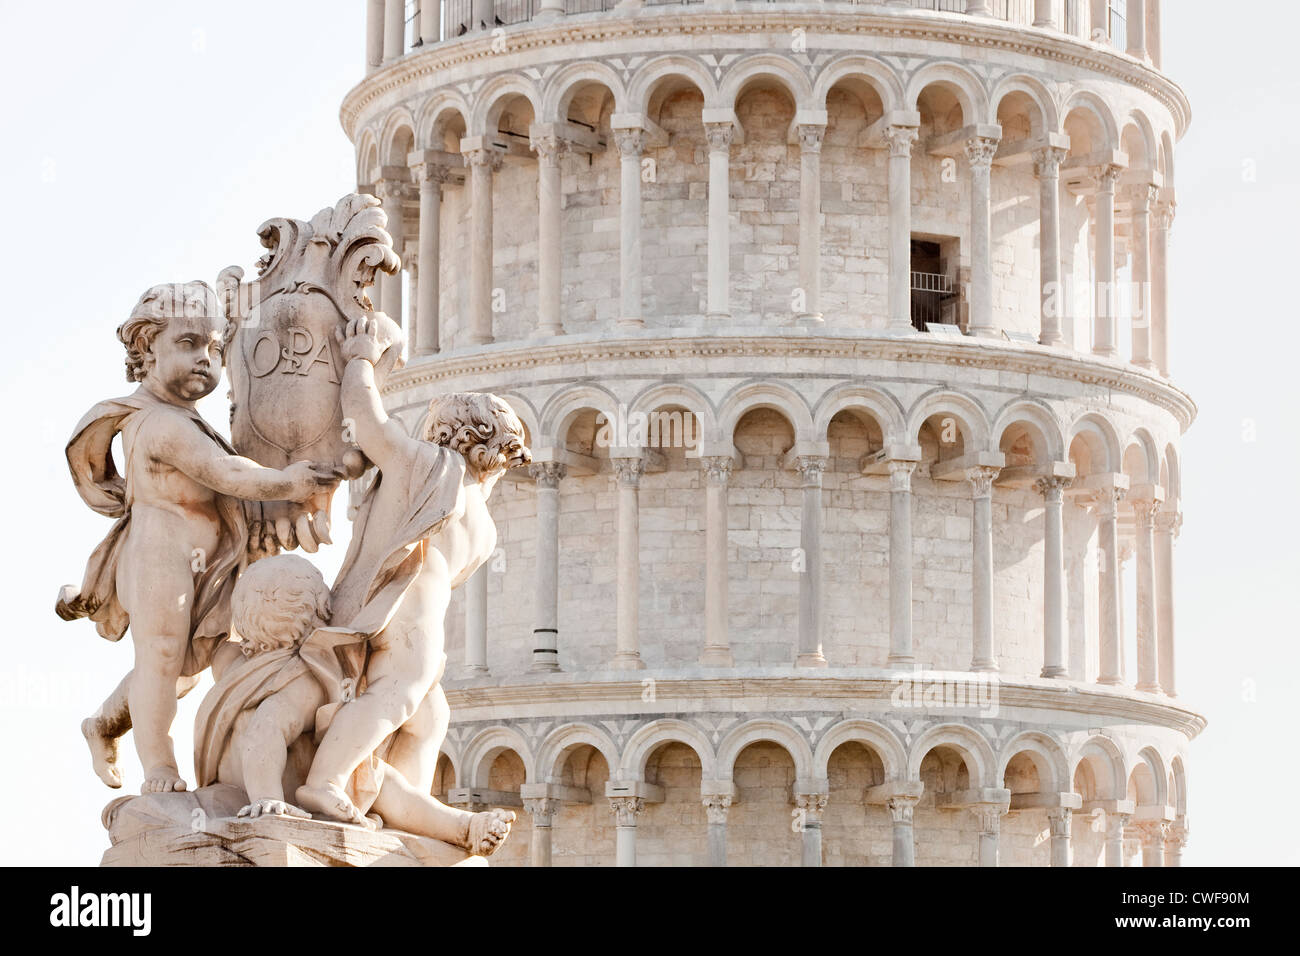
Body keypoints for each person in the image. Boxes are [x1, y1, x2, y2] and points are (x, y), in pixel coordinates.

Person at [57, 281, 336, 794]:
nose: (205, 358)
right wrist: (288, 482)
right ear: (146, 349)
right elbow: (225, 473)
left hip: (210, 564)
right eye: (188, 343)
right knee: (163, 657)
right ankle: (160, 767)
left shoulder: (187, 419)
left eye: (215, 347)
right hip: (160, 556)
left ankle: (106, 724)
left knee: (191, 664)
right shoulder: (158, 423)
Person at [295, 317, 531, 826]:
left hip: (423, 611)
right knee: (403, 686)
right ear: (476, 441)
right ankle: (325, 780)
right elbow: (366, 418)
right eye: (505, 446)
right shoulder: (429, 465)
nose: (509, 460)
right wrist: (361, 356)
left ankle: (401, 810)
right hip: (404, 600)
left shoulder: (478, 509)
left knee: (428, 714)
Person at [194, 553, 513, 856]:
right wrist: (267, 798)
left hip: (238, 782)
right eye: (326, 609)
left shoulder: (233, 663)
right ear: (314, 616)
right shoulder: (302, 679)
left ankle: (460, 826)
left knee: (371, 771)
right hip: (275, 785)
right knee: (376, 778)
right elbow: (265, 728)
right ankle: (461, 827)